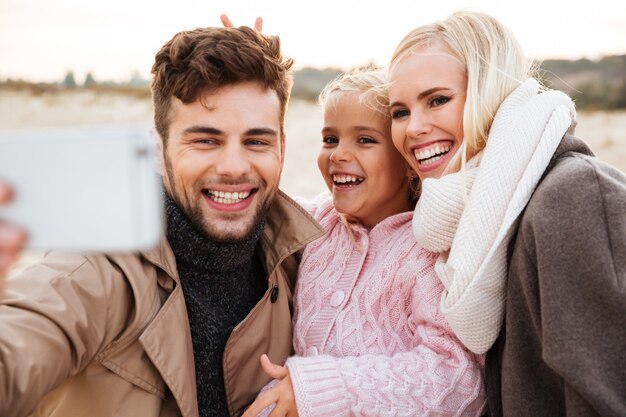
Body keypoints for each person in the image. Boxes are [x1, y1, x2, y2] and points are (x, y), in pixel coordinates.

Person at [0, 24, 324, 417]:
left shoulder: (303, 265)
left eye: (257, 141)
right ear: (158, 150)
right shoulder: (99, 270)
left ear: (282, 148)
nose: (235, 166)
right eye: (206, 140)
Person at [387, 11, 626, 417]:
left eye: (438, 100)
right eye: (399, 112)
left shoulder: (573, 197)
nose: (413, 128)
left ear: (489, 90)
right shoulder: (459, 212)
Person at [242, 68, 486, 417]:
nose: (339, 154)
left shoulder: (428, 250)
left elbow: (459, 381)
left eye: (365, 140)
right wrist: (243, 85)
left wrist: (323, 388)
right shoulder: (318, 221)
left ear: (407, 160)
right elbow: (248, 199)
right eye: (330, 139)